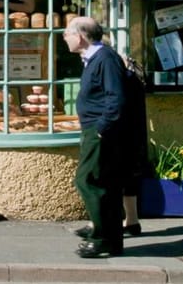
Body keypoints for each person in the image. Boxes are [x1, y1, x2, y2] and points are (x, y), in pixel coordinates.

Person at [63, 16, 127, 259]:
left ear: (80, 36)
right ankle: (109, 238)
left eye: (67, 34)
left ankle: (102, 237)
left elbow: (116, 98)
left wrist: (101, 128)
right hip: (95, 129)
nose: (64, 38)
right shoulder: (94, 59)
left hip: (100, 131)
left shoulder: (105, 58)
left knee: (87, 180)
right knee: (102, 183)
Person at [120, 53, 150, 236]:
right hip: (134, 134)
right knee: (129, 179)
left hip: (123, 134)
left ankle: (108, 222)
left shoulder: (124, 80)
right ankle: (132, 220)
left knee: (113, 180)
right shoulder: (134, 79)